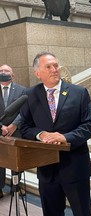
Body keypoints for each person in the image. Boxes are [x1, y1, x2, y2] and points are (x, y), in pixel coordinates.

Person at [20, 52, 91, 215]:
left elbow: (90, 125)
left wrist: (65, 137)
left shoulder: (79, 92)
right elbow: (25, 127)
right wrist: (41, 135)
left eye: (55, 65)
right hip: (47, 170)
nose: (54, 69)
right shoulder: (29, 95)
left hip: (75, 166)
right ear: (37, 73)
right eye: (48, 66)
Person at [0, 64, 26, 199]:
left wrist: (14, 125)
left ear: (13, 75)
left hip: (16, 131)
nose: (3, 72)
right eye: (1, 70)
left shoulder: (22, 90)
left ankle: (16, 187)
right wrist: (1, 127)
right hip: (0, 132)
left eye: (6, 71)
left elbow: (25, 110)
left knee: (17, 160)